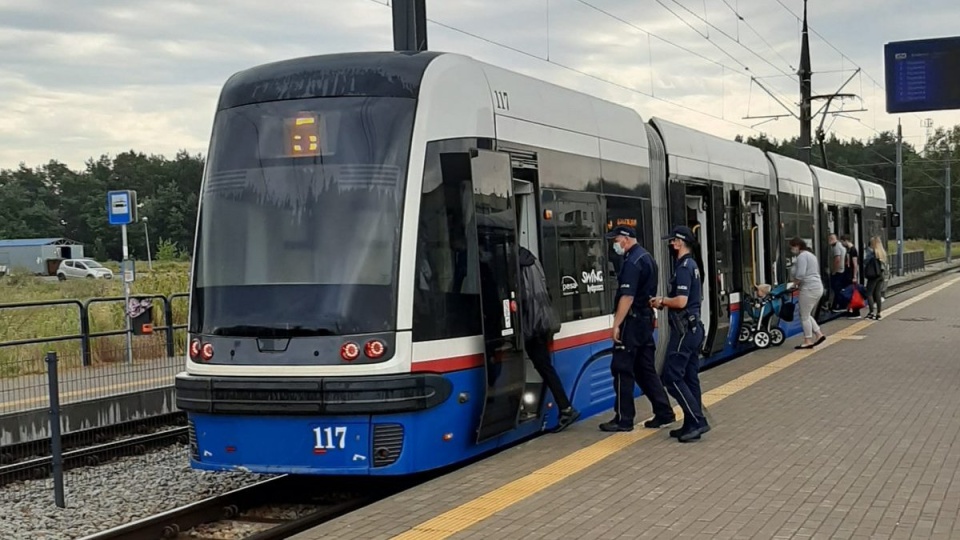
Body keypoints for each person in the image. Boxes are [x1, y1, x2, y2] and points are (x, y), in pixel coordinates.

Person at [598, 226, 675, 432]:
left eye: (615, 240)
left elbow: (627, 296)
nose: (614, 244)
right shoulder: (647, 257)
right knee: (645, 369)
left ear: (625, 239)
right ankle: (664, 412)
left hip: (631, 324)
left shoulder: (632, 262)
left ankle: (624, 419)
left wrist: (616, 325)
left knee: (622, 369)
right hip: (645, 321)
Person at [650, 225, 709, 443]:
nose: (670, 244)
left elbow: (681, 301)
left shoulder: (684, 267)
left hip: (684, 330)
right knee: (689, 377)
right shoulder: (692, 265)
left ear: (680, 242)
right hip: (694, 329)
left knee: (671, 376)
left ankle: (697, 420)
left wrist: (662, 301)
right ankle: (692, 421)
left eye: (673, 240)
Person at [518, 246, 580, 432]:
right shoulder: (532, 260)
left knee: (542, 366)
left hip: (530, 324)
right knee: (544, 366)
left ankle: (566, 408)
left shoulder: (515, 264)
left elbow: (522, 297)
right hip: (542, 321)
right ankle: (566, 408)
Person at [789, 237, 827, 349]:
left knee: (804, 315)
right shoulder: (811, 255)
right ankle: (819, 334)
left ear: (797, 246)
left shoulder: (802, 257)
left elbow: (800, 274)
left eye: (792, 247)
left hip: (808, 288)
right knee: (807, 313)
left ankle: (808, 340)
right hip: (816, 287)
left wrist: (794, 284)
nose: (792, 250)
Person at [862, 236, 888, 320]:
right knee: (878, 293)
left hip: (873, 275)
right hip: (881, 275)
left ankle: (871, 312)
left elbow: (865, 261)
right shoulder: (882, 253)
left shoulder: (872, 253)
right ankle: (879, 313)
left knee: (869, 293)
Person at [840, 234, 861, 318]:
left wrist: (854, 276)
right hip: (849, 273)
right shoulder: (849, 250)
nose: (841, 244)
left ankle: (856, 312)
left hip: (851, 274)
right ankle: (851, 310)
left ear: (845, 240)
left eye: (842, 241)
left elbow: (855, 264)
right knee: (850, 292)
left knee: (853, 293)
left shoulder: (853, 250)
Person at [828, 234, 847, 311]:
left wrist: (834, 271)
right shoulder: (841, 246)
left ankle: (839, 305)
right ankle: (837, 305)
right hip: (841, 270)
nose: (829, 240)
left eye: (830, 239)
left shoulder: (836, 247)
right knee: (838, 288)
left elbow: (837, 259)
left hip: (837, 271)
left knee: (836, 289)